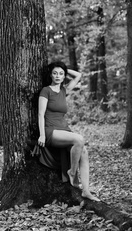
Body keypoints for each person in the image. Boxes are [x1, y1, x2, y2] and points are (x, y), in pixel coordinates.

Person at [37, 61, 100, 201]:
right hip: (50, 130)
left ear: (64, 75)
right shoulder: (46, 91)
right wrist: (41, 134)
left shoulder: (64, 90)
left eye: (61, 73)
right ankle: (72, 172)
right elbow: (40, 114)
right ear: (50, 75)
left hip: (64, 129)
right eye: (54, 73)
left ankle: (86, 191)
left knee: (84, 151)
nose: (58, 76)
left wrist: (65, 68)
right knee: (79, 139)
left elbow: (78, 75)